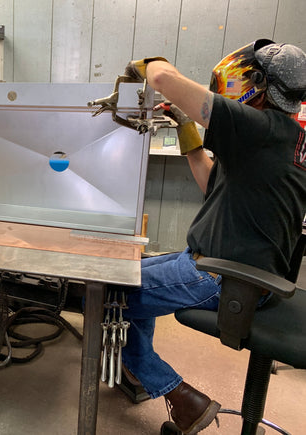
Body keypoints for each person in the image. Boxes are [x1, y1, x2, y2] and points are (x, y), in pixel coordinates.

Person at [114, 39, 306, 434]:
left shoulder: (257, 127)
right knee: (129, 272)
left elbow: (164, 76)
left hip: (222, 275)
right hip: (229, 266)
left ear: (257, 84)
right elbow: (210, 184)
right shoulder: (285, 135)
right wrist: (187, 127)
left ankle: (178, 395)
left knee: (111, 295)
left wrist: (145, 64)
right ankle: (137, 367)